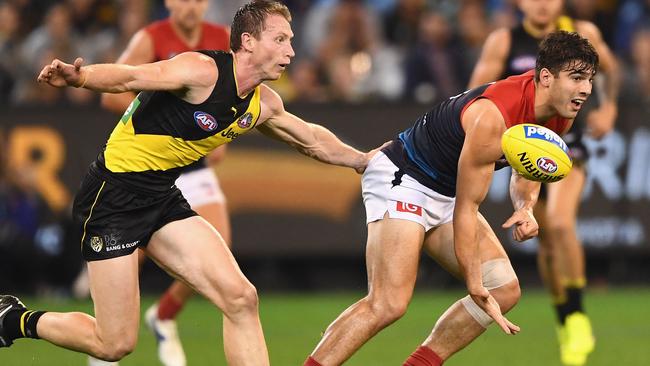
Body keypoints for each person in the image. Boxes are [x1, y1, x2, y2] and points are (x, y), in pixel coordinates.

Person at [0, 2, 377, 365]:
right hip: (112, 197)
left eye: (291, 40)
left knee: (241, 298)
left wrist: (362, 160)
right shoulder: (202, 71)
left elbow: (310, 139)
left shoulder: (262, 103)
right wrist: (80, 77)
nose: (291, 51)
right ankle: (13, 319)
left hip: (161, 199)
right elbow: (132, 75)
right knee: (113, 343)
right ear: (248, 42)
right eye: (280, 40)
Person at [304, 31, 599, 366]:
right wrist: (473, 283)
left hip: (444, 191)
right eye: (576, 78)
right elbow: (466, 207)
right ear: (546, 77)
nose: (585, 89)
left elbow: (528, 168)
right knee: (388, 303)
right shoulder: (493, 117)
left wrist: (525, 206)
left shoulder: (561, 110)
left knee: (503, 290)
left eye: (589, 79)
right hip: (404, 177)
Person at [468, 1, 620, 365]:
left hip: (568, 143)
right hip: (524, 153)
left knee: (562, 222)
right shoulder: (504, 41)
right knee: (548, 238)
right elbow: (475, 95)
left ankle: (579, 313)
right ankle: (565, 317)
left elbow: (613, 72)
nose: (542, 4)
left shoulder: (583, 35)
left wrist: (609, 107)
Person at [98, 1, 230, 365]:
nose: (191, 6)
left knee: (220, 251)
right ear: (169, 2)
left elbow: (237, 97)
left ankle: (164, 316)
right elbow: (116, 88)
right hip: (151, 164)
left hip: (193, 164)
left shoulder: (223, 39)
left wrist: (221, 138)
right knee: (128, 257)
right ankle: (102, 344)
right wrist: (156, 122)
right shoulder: (150, 38)